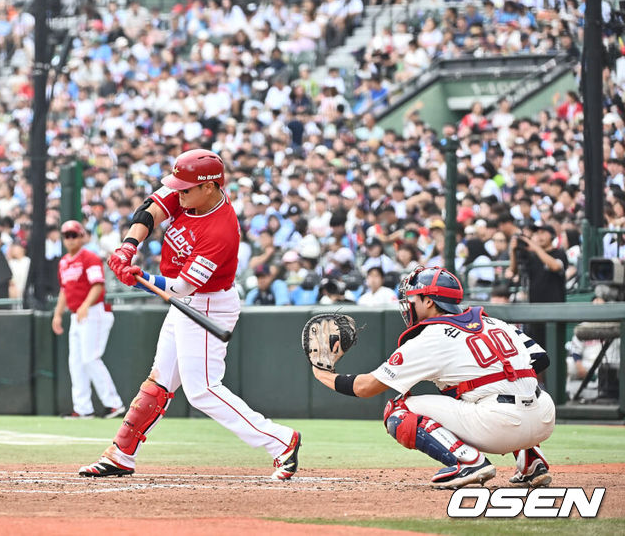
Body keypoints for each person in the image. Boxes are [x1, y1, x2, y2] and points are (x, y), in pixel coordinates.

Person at [80, 149, 301, 480]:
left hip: (208, 301)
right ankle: (121, 454)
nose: (177, 193)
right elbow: (149, 211)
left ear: (209, 187)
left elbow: (181, 288)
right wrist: (129, 245)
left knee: (203, 390)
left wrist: (139, 279)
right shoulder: (189, 194)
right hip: (186, 303)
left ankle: (281, 440)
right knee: (159, 383)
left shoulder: (221, 231)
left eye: (185, 189)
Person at [310, 266, 555, 489]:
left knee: (397, 409)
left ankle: (468, 461)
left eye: (413, 299)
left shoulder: (431, 337)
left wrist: (323, 374)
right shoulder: (495, 322)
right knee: (503, 385)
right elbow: (541, 359)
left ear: (429, 301)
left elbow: (366, 387)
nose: (408, 305)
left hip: (499, 426)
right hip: (544, 417)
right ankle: (531, 460)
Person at [51, 220, 125, 420]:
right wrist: (58, 314)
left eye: (74, 234)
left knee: (90, 358)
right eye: (67, 235)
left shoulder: (90, 258)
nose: (70, 239)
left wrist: (85, 305)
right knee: (75, 362)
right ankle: (83, 409)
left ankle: (114, 405)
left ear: (82, 236)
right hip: (78, 315)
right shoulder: (64, 262)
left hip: (94, 312)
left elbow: (98, 286)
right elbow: (64, 291)